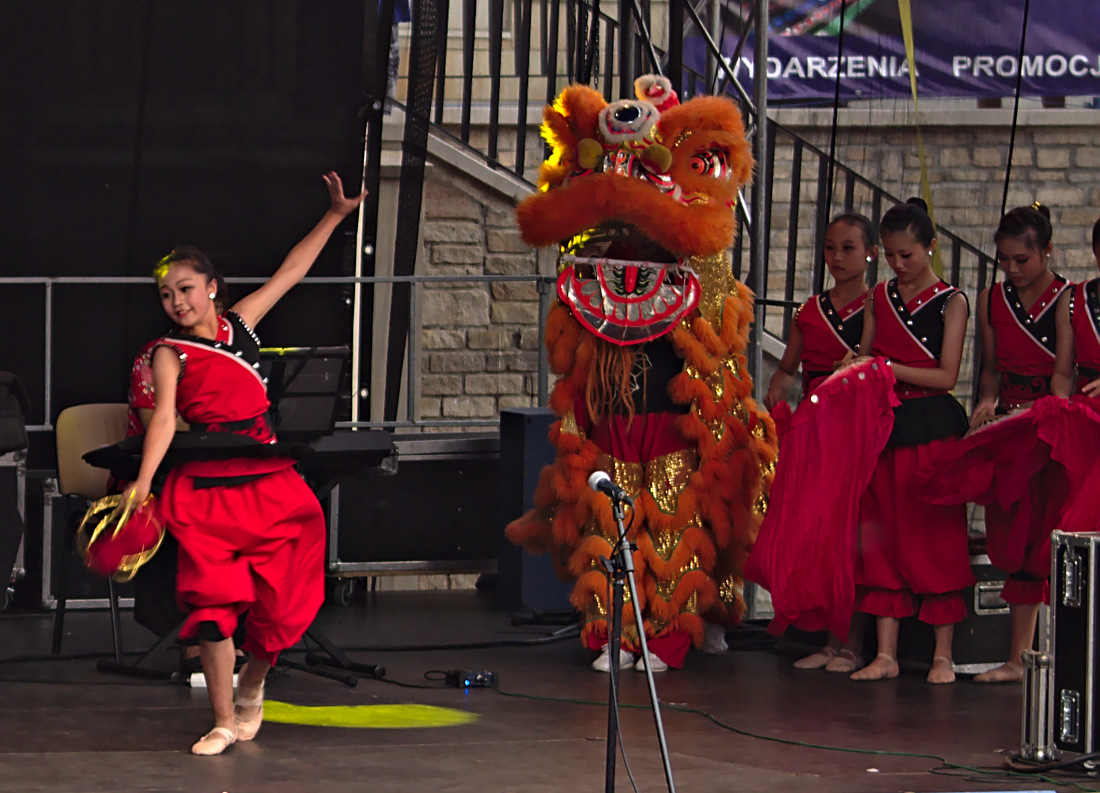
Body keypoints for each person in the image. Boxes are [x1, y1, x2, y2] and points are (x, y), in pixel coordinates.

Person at [122, 171, 366, 756]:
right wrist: (144, 484)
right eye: (166, 294)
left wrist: (335, 216)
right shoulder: (169, 353)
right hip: (207, 492)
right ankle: (224, 720)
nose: (177, 302)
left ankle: (253, 683)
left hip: (271, 487)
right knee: (211, 606)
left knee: (281, 607)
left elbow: (292, 272)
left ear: (212, 288)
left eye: (185, 288)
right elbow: (163, 420)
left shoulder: (243, 327)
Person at [849, 198, 974, 685]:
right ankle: (886, 653)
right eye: (890, 255)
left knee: (934, 537)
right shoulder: (878, 296)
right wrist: (855, 368)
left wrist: (884, 367)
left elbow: (946, 376)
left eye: (908, 255)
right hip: (885, 423)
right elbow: (865, 356)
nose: (899, 264)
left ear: (930, 247)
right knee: (881, 537)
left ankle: (943, 655)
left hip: (932, 426)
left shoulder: (952, 301)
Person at [761, 212, 878, 673]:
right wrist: (778, 386)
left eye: (848, 248)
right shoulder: (809, 310)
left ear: (870, 253)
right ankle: (828, 638)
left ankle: (852, 643)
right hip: (813, 431)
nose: (837, 258)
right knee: (818, 533)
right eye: (830, 248)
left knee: (854, 537)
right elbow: (788, 367)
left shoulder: (877, 306)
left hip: (854, 431)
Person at [965, 204, 1068, 683]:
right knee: (1014, 537)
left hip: (1050, 426)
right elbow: (991, 370)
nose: (1012, 269)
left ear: (1046, 251)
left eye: (1022, 259)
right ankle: (1017, 659)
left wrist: (1050, 411)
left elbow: (1065, 370)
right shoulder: (991, 299)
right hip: (1009, 425)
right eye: (1004, 259)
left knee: (1050, 536)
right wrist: (987, 402)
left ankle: (1060, 654)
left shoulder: (1068, 299)